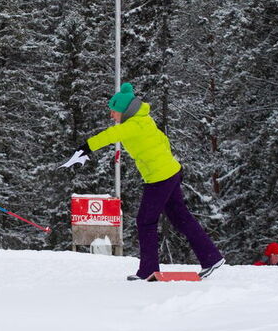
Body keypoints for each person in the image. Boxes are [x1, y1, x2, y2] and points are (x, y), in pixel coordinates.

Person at [62, 83, 225, 280]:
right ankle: (211, 257)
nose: (111, 116)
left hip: (159, 178)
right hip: (171, 172)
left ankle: (148, 270)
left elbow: (109, 136)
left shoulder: (132, 126)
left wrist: (84, 148)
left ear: (123, 110)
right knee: (180, 218)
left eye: (113, 111)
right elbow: (163, 139)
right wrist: (165, 161)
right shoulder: (144, 119)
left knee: (145, 221)